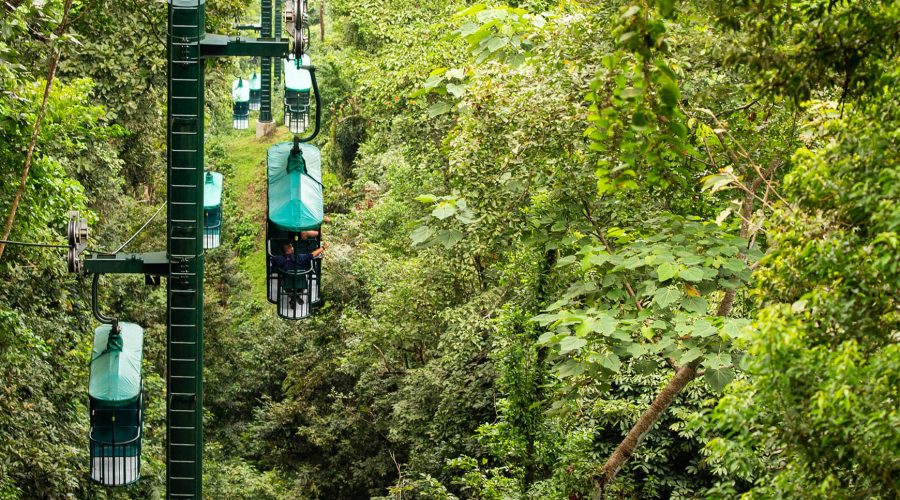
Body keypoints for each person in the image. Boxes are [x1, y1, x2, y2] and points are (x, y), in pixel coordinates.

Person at [273, 241, 327, 308]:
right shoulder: (300, 257)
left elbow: (274, 265)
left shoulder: (278, 259)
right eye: (292, 246)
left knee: (282, 282)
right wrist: (323, 247)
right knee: (303, 281)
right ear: (290, 249)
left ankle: (293, 297)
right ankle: (296, 297)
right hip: (301, 284)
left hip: (287, 283)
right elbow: (312, 254)